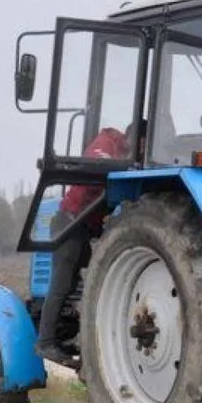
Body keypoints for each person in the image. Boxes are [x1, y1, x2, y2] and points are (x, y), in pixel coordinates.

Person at [34, 119, 146, 369]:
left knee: (78, 282)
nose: (141, 150)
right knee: (63, 281)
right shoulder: (108, 141)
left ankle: (72, 334)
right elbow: (95, 162)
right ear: (135, 138)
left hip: (87, 228)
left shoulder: (131, 156)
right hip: (70, 222)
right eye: (141, 144)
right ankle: (45, 340)